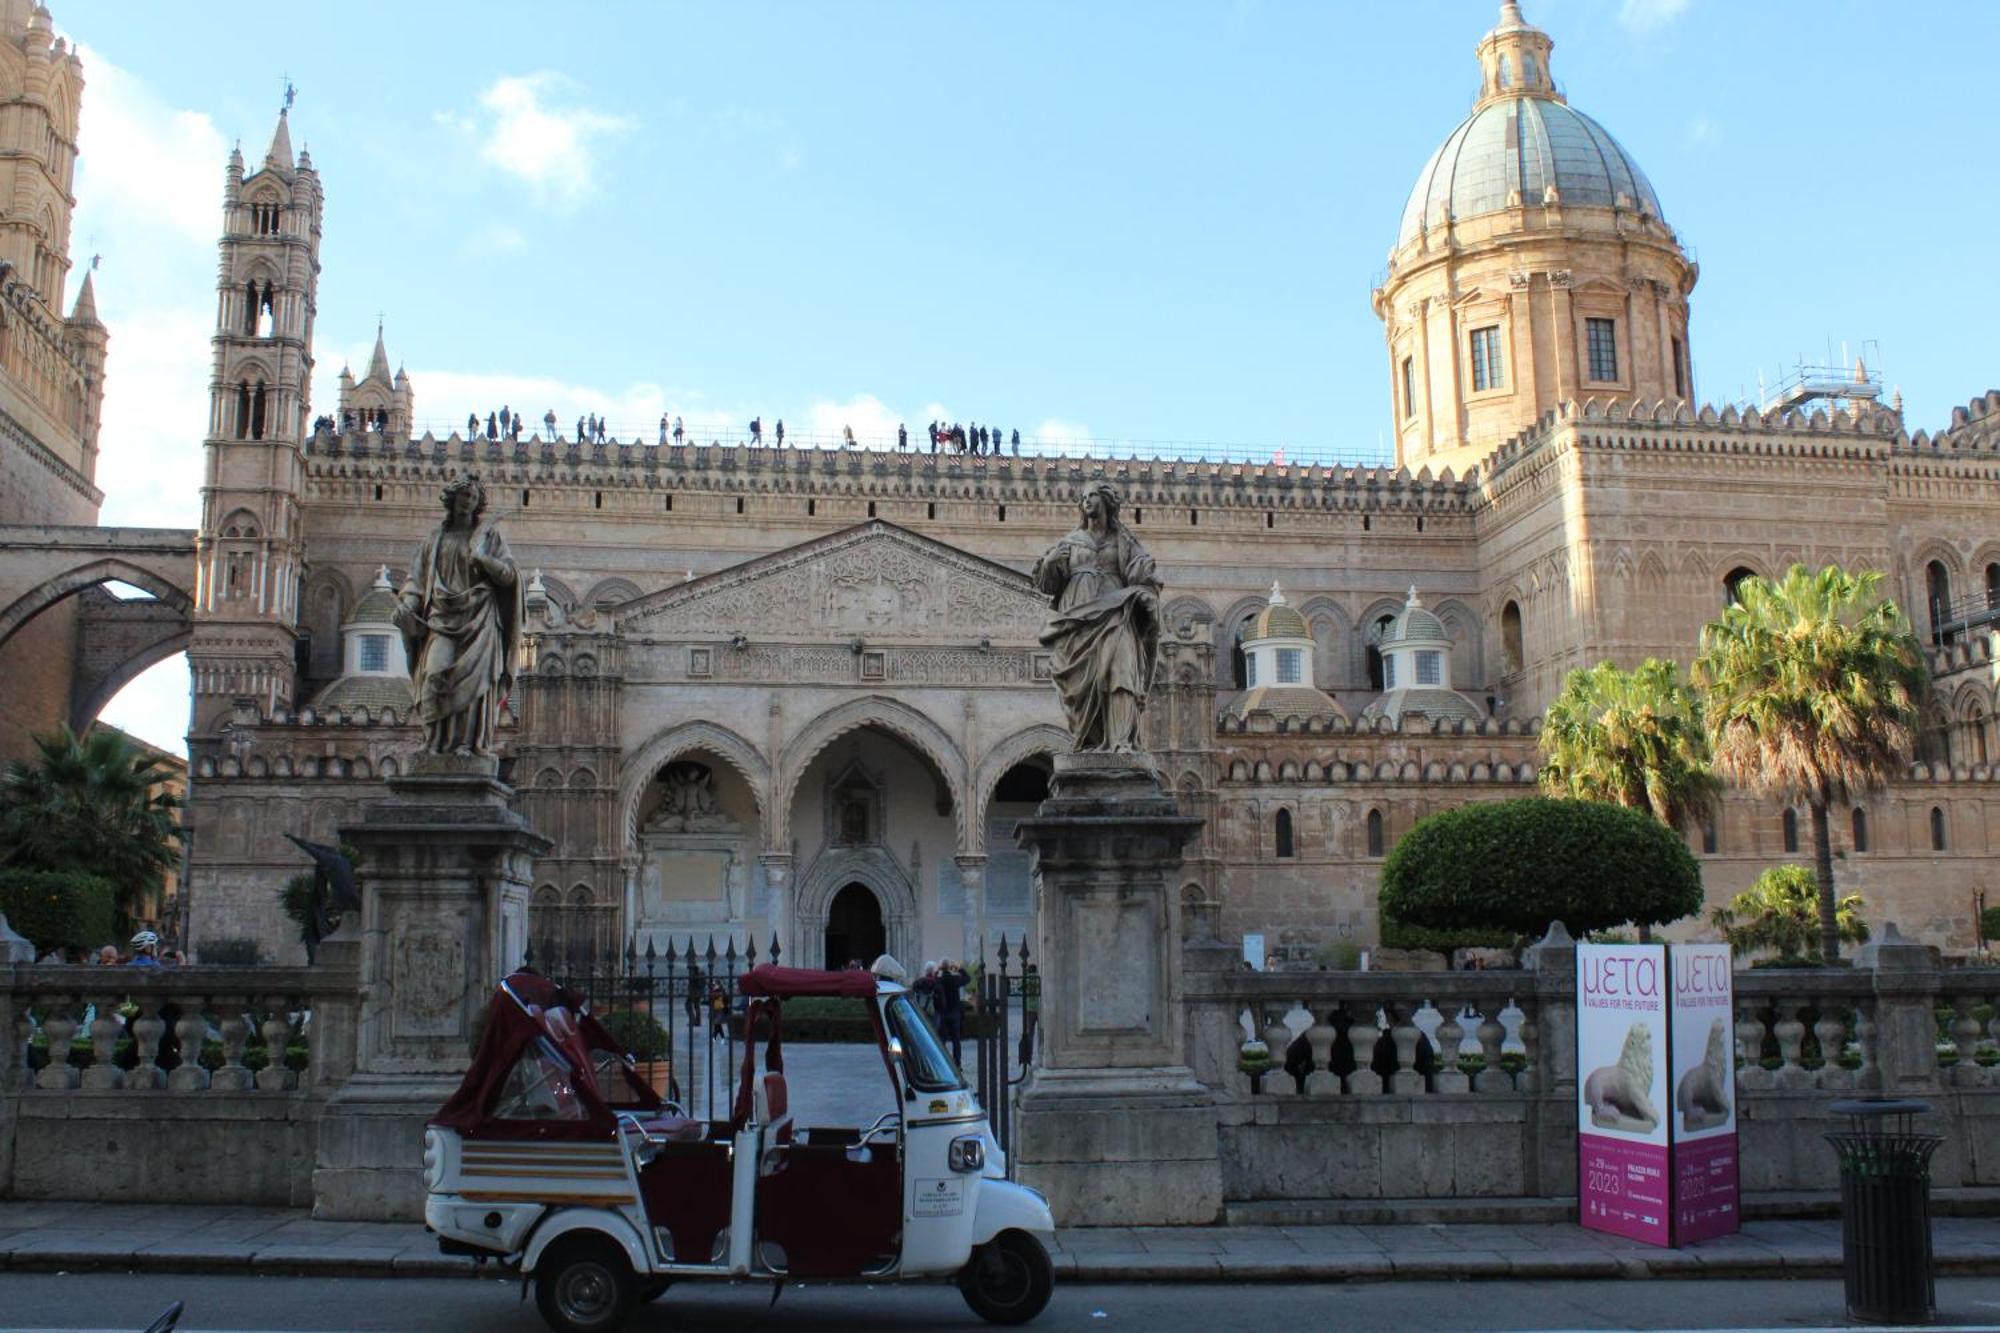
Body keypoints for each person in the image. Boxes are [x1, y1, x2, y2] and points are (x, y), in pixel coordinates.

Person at [394, 475, 522, 756]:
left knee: (474, 687)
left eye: (474, 498)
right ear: (453, 499)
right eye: (464, 496)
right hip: (441, 618)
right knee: (433, 675)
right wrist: (408, 604)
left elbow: (510, 575)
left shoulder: (489, 538)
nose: (468, 502)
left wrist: (483, 559)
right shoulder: (434, 540)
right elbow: (416, 581)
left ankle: (468, 745)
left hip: (480, 620)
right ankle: (434, 744)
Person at [1031, 481, 1161, 752]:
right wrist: (1051, 562)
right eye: (1084, 497)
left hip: (1117, 613)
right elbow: (1046, 585)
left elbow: (1142, 573)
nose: (1087, 501)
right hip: (1077, 621)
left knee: (1121, 669)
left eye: (1092, 496)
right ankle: (1091, 740)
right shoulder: (1069, 543)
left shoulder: (1124, 541)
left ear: (1106, 502)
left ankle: (1121, 743)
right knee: (1085, 683)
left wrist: (1146, 582)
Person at [934, 958, 968, 1064]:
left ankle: (943, 1062)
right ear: (949, 967)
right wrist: (960, 969)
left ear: (941, 968)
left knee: (942, 1040)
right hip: (954, 1012)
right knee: (956, 1040)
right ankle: (957, 1062)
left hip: (943, 1013)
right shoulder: (955, 979)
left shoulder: (939, 980)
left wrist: (936, 970)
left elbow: (932, 980)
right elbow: (967, 979)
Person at [1018, 962, 1040, 1066]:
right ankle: (1041, 1054)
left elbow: (1018, 989)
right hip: (1040, 1008)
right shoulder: (1039, 979)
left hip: (1029, 1008)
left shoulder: (1026, 979)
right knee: (1043, 1033)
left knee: (1030, 1033)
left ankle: (1029, 1057)